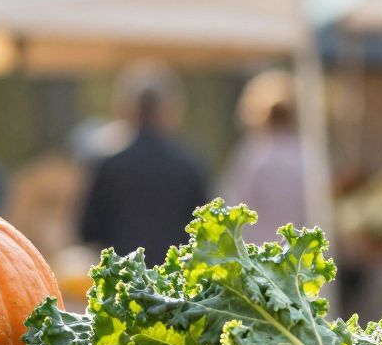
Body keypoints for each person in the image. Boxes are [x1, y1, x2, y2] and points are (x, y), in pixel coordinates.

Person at [77, 62, 210, 260]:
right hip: (175, 280)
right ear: (170, 109)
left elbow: (88, 230)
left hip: (125, 278)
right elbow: (206, 229)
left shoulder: (110, 165)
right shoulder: (189, 164)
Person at [219, 69, 310, 243]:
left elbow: (232, 204)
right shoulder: (306, 155)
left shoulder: (253, 155)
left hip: (257, 254)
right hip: (295, 254)